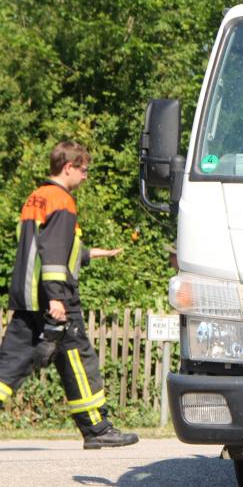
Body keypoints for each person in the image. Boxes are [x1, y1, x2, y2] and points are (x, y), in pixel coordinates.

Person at [0, 141, 139, 449]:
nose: (86, 176)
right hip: (55, 300)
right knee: (78, 359)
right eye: (84, 170)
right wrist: (57, 299)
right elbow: (52, 255)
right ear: (68, 167)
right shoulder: (62, 201)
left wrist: (90, 254)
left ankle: (96, 428)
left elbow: (42, 248)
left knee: (8, 364)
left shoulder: (37, 197)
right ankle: (97, 429)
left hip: (28, 298)